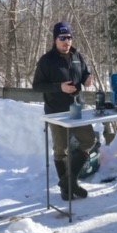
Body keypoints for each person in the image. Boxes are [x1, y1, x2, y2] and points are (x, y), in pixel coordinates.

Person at [33, 21, 94, 200]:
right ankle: (66, 189)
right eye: (62, 38)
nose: (66, 41)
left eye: (69, 37)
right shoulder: (46, 60)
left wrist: (87, 78)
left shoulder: (77, 56)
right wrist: (59, 87)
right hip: (56, 111)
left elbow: (84, 73)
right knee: (61, 149)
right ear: (55, 39)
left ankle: (68, 180)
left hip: (76, 108)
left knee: (88, 140)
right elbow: (37, 86)